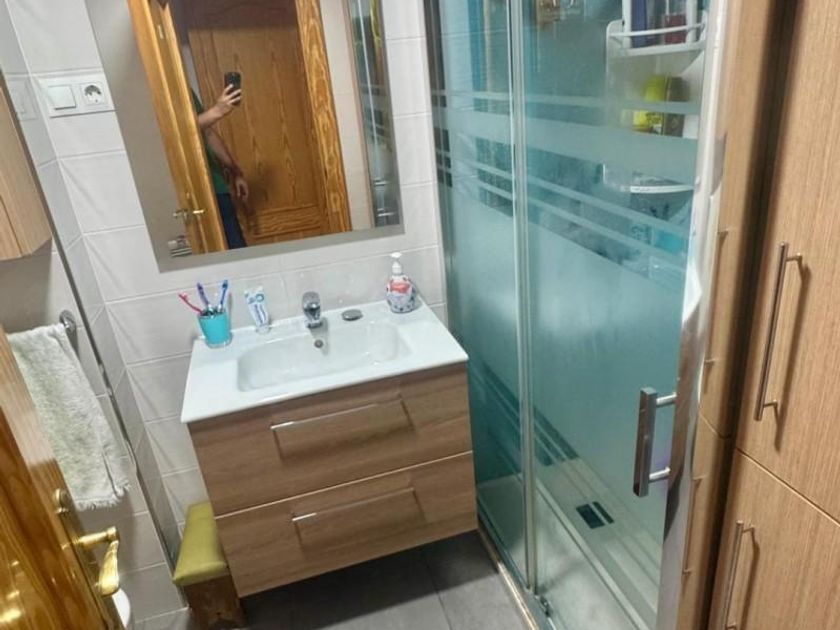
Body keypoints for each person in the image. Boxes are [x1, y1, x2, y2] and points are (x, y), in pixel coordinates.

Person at [192, 85, 249, 249]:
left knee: (238, 252)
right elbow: (174, 131)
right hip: (194, 194)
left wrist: (236, 172)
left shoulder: (183, 88)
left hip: (217, 187)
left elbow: (208, 133)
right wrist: (217, 111)